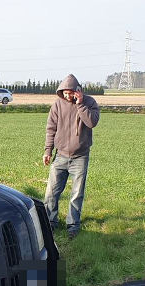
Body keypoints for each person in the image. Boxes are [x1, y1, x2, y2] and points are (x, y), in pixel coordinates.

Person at [43, 74, 100, 239]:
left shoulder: (89, 102)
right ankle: (50, 223)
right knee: (51, 193)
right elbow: (50, 129)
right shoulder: (57, 105)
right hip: (60, 155)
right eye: (65, 93)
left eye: (70, 92)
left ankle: (73, 226)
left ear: (77, 90)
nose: (68, 96)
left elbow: (92, 122)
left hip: (80, 156)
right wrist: (48, 151)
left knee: (76, 194)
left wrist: (80, 104)